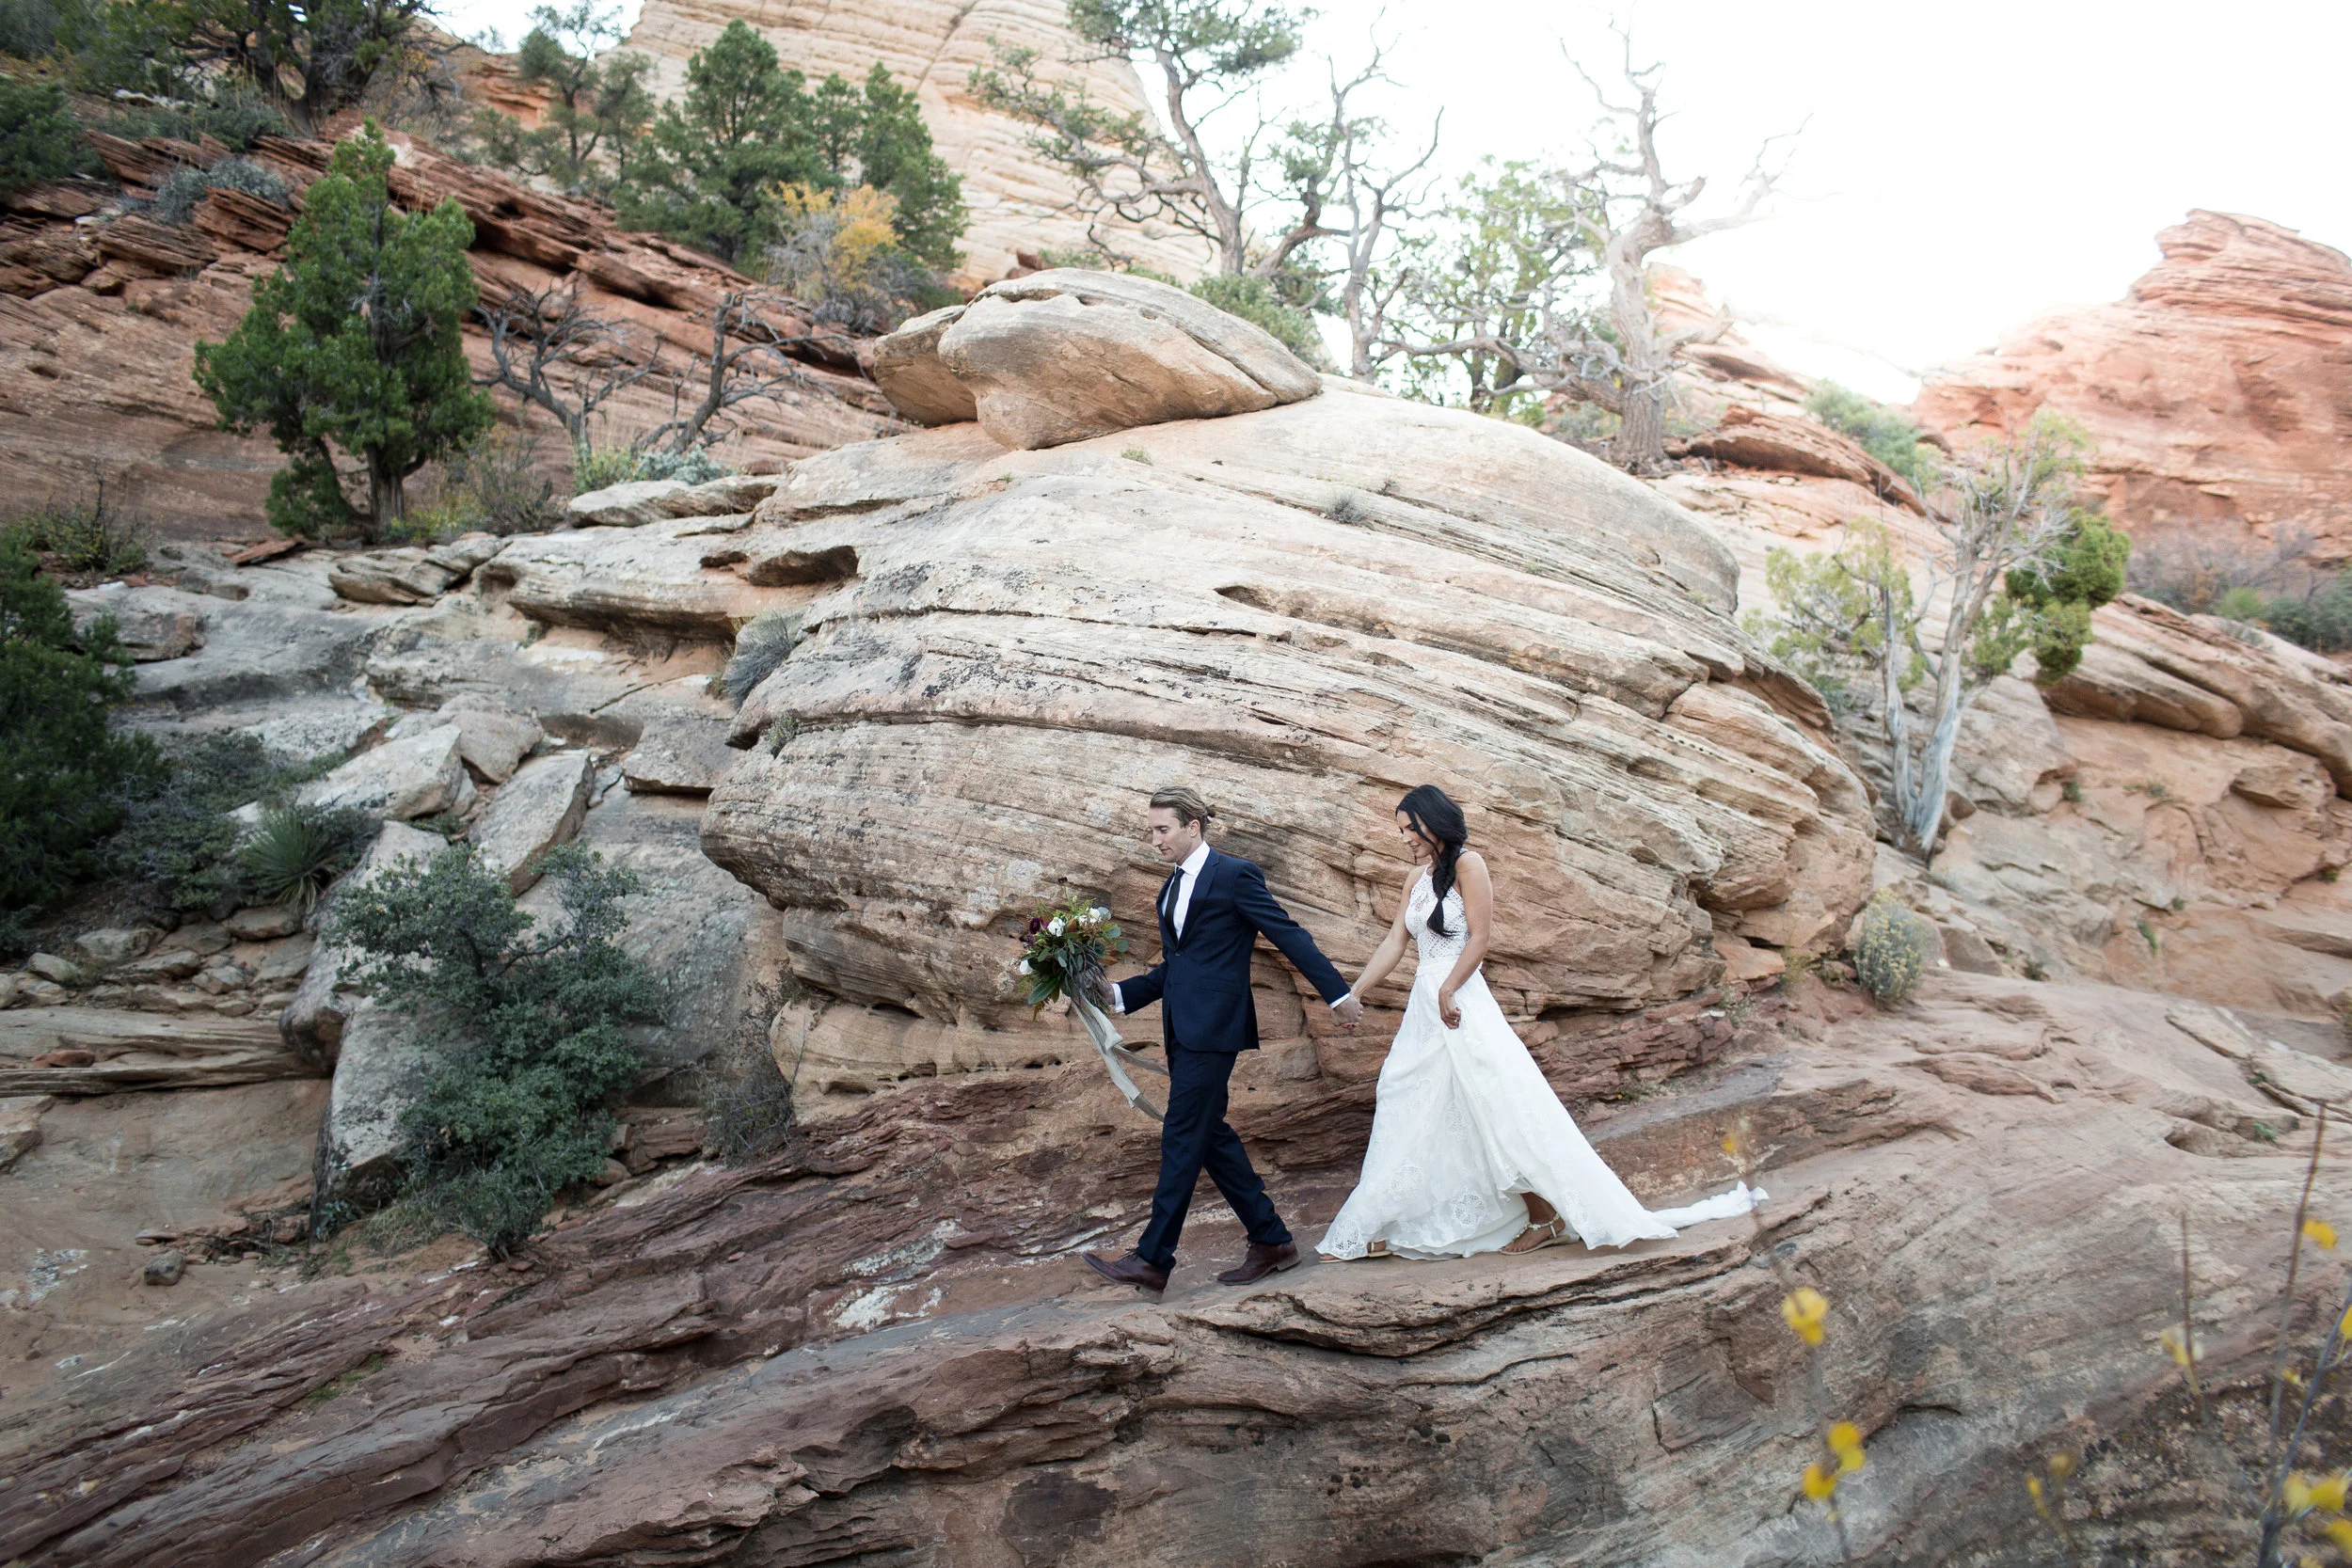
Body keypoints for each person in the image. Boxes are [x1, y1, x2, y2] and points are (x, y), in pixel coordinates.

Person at [1318, 784, 1758, 1261]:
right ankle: (1390, 1221)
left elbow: (1481, 939)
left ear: (1433, 821)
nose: (1404, 838)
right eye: (1400, 830)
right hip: (1426, 1011)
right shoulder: (1415, 879)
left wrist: (1448, 989)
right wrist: (1352, 993)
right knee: (1412, 1105)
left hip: (1462, 1004)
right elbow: (1393, 944)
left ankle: (1544, 1216)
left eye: (1410, 828)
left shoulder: (1470, 865)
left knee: (1494, 1106)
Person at [1080, 785, 1363, 1293]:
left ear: (1193, 826)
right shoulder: (1169, 889)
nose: (1154, 840)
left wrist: (1337, 995)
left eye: (1161, 829)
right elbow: (1178, 967)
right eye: (1150, 830)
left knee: (1182, 1134)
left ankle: (1153, 1258)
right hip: (1182, 1027)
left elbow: (1288, 933)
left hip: (1216, 1028)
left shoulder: (1234, 875)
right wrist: (1115, 995)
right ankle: (1272, 1240)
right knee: (1209, 1135)